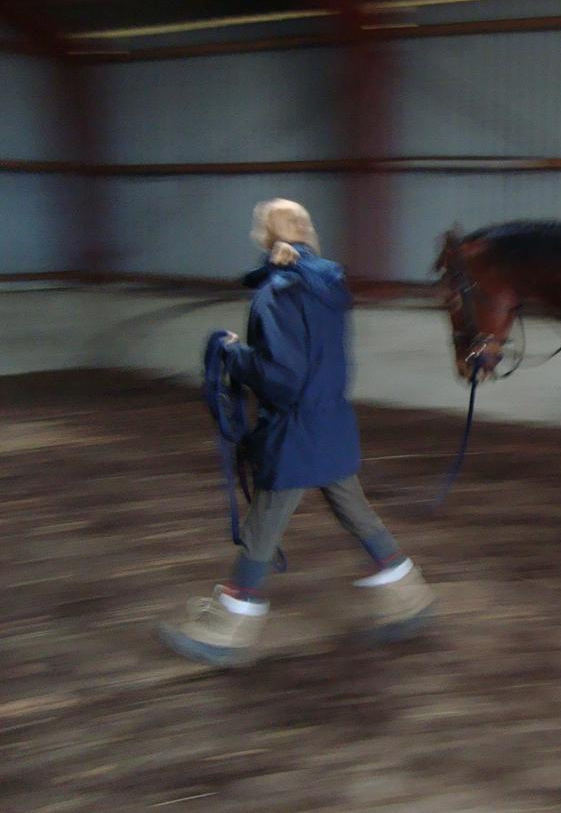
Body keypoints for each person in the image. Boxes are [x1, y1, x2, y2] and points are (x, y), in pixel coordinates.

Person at [158, 199, 434, 667]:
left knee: (264, 521)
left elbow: (282, 376)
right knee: (353, 507)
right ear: (308, 233)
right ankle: (409, 595)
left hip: (295, 427)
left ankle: (230, 625)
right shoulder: (329, 286)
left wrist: (232, 354)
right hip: (331, 419)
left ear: (264, 236)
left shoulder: (275, 294)